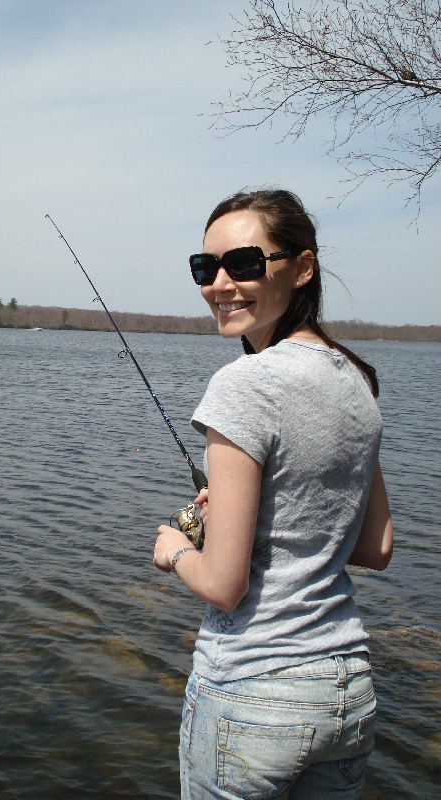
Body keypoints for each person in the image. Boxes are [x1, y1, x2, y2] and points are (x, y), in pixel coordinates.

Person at [153, 189, 393, 800]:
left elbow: (224, 587)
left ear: (303, 267)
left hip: (251, 692)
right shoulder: (357, 380)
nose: (221, 284)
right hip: (349, 693)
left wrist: (176, 549)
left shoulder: (243, 383)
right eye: (205, 269)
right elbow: (375, 546)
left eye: (246, 264)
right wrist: (256, 518)